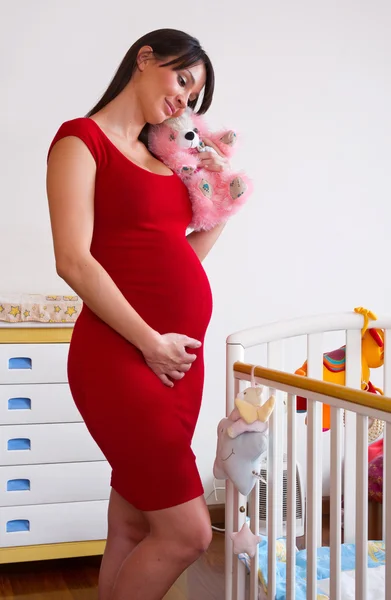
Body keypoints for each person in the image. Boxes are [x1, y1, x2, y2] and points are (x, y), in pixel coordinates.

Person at [46, 28, 229, 600]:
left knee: (130, 526)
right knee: (188, 534)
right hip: (124, 358)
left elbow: (179, 255)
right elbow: (73, 260)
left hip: (176, 364)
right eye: (182, 80)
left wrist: (220, 198)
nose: (185, 101)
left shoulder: (162, 159)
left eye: (194, 96)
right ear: (146, 58)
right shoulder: (80, 140)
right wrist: (151, 342)